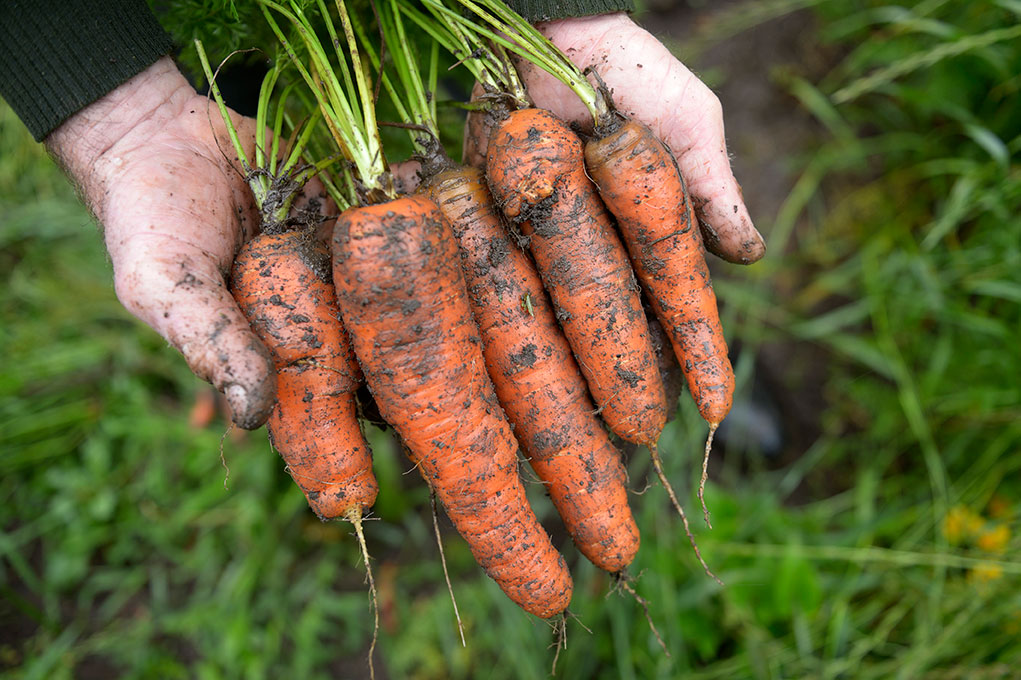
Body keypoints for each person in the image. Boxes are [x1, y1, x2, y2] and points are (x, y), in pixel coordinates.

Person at [0, 0, 764, 429]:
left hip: (483, 43)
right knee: (314, 293)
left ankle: (662, 355)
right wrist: (118, 112)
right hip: (206, 64)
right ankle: (433, 422)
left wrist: (562, 13)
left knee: (613, 239)